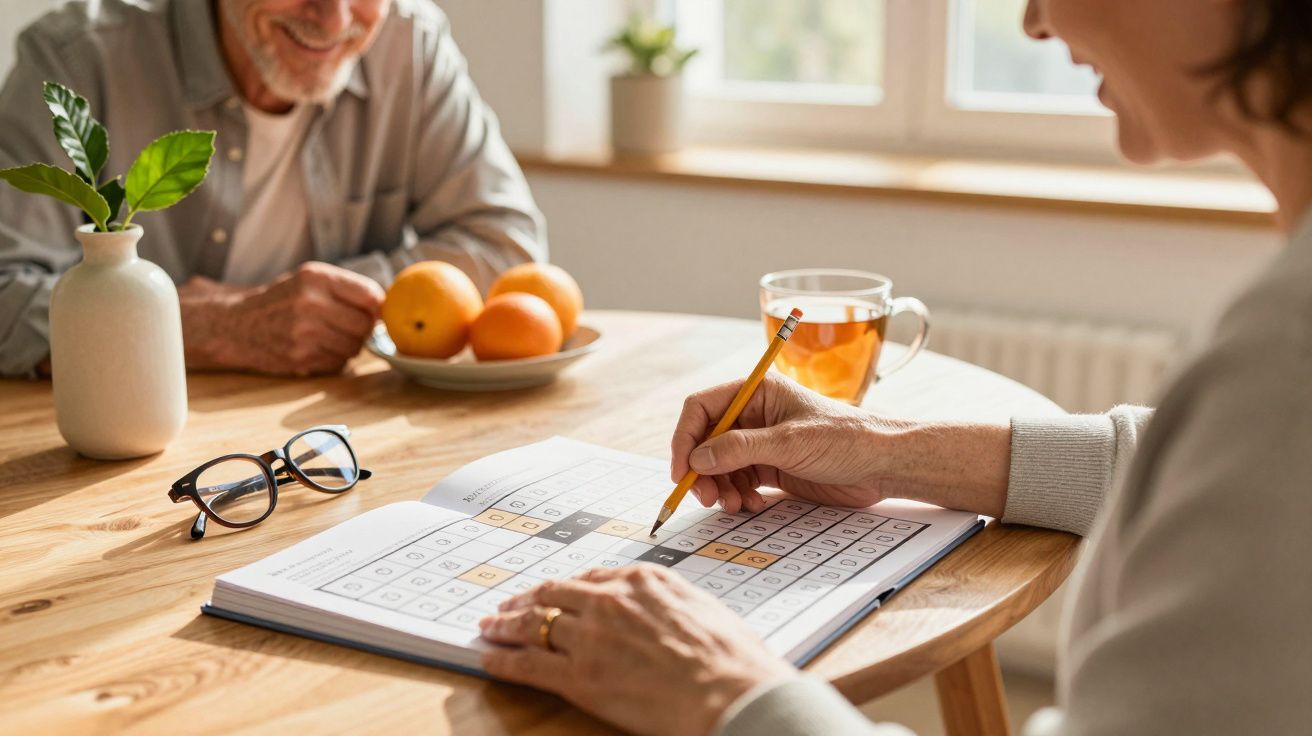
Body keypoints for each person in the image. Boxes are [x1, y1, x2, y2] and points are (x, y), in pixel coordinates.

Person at [476, 0, 1311, 734]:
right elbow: (1198, 468)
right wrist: (883, 447)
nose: (1033, 21)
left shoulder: (1283, 359)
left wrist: (728, 696)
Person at [0, 0, 545, 378]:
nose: (335, 20)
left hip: (336, 432)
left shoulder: (412, 45)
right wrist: (215, 326)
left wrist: (309, 307)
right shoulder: (78, 58)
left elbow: (505, 246)